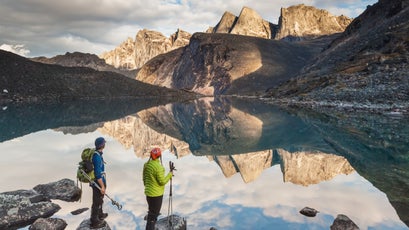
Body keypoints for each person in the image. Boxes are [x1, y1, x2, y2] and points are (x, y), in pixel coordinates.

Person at [143, 147, 174, 230]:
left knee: (152, 211)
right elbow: (162, 181)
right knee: (153, 215)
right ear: (159, 157)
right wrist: (170, 174)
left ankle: (150, 220)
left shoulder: (146, 165)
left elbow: (144, 178)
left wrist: (148, 187)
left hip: (148, 194)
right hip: (156, 195)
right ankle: (150, 226)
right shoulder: (158, 167)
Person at [90, 137, 108, 229]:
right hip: (97, 183)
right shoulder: (96, 157)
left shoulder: (99, 154)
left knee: (100, 199)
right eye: (104, 143)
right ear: (102, 145)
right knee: (96, 201)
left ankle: (100, 214)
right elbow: (97, 174)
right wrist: (102, 186)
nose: (105, 144)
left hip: (100, 182)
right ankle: (94, 221)